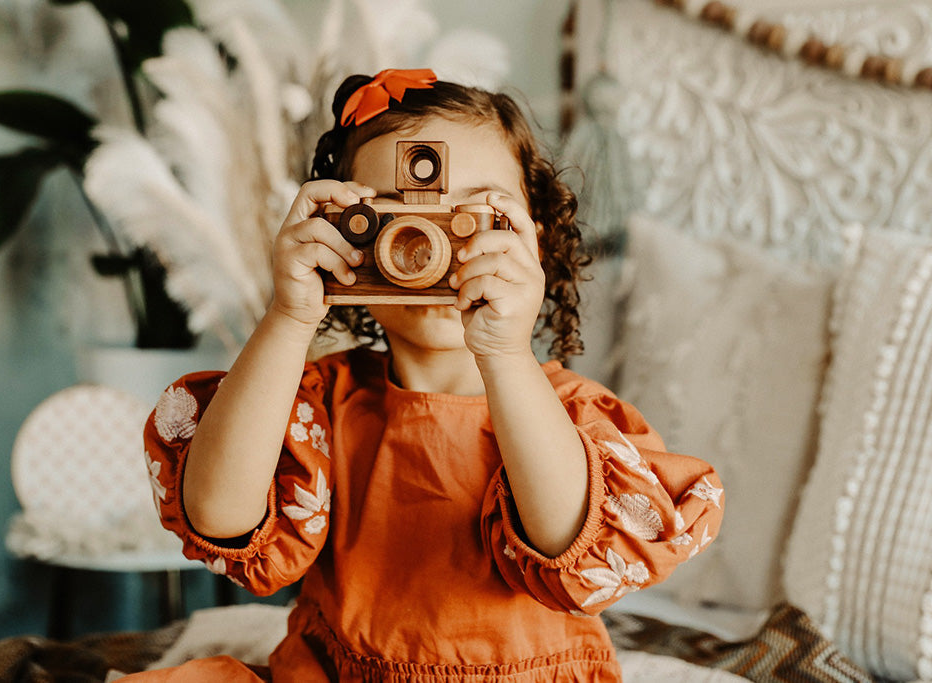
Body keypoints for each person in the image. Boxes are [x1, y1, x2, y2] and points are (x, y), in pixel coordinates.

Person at [137, 69, 724, 682]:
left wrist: (504, 353)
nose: (432, 242)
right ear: (343, 235)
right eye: (396, 214)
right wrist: (289, 317)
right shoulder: (316, 405)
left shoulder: (572, 421)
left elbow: (566, 547)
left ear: (537, 242)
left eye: (476, 214)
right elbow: (218, 517)